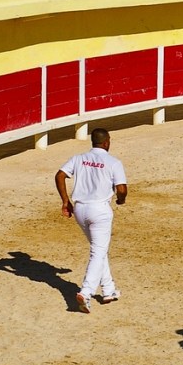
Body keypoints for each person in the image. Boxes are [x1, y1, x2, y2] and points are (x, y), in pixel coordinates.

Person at [54, 127, 128, 314]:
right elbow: (121, 188)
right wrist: (121, 200)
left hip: (80, 209)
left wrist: (65, 201)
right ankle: (86, 292)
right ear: (107, 142)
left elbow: (60, 175)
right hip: (100, 211)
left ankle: (109, 290)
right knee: (98, 251)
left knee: (98, 250)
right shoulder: (113, 162)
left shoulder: (79, 158)